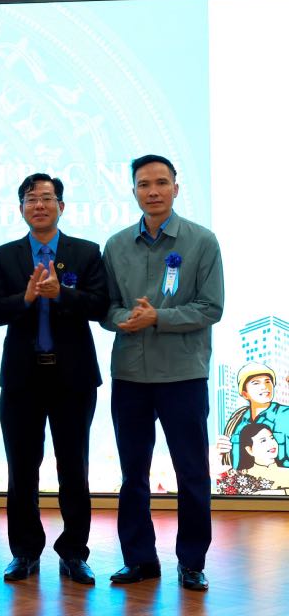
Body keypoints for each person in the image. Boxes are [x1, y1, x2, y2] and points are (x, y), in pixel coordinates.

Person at [101, 154, 223, 592]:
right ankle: (139, 560)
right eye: (143, 184)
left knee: (191, 472)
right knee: (133, 473)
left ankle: (192, 561)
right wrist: (122, 319)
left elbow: (212, 307)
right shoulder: (115, 245)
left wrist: (158, 319)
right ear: (133, 190)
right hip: (130, 375)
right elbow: (107, 307)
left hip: (183, 376)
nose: (152, 191)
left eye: (161, 183)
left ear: (176, 187)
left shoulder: (201, 241)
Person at [0, 173, 108, 584]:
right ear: (21, 208)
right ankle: (25, 552)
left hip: (72, 378)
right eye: (31, 199)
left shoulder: (86, 252)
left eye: (47, 198)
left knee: (74, 467)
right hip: (22, 378)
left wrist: (61, 295)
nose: (40, 205)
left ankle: (74, 552)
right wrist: (28, 298)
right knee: (22, 468)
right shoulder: (5, 256)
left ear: (62, 206)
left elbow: (100, 305)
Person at [217, 363, 289, 467]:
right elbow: (230, 460)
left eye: (268, 381)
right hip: (244, 481)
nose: (264, 387)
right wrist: (221, 452)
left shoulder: (285, 414)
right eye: (256, 383)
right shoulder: (236, 420)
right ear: (244, 393)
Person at [235, 423, 289, 491]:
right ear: (249, 450)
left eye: (272, 438)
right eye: (263, 441)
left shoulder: (287, 473)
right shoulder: (241, 478)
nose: (271, 443)